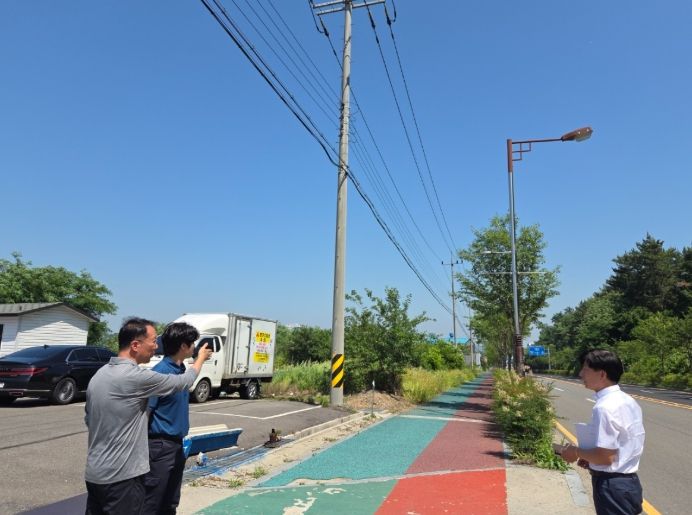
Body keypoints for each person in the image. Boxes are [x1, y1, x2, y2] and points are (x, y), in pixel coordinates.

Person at [84, 317, 212, 515]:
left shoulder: (100, 375)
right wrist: (201, 358)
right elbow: (183, 382)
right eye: (152, 341)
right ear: (135, 345)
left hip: (96, 472)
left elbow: (88, 419)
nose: (156, 346)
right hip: (123, 476)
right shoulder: (136, 377)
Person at [559, 349, 645, 515]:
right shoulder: (627, 400)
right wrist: (591, 459)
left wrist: (575, 452)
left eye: (585, 369)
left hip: (612, 487)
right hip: (628, 484)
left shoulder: (604, 407)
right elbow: (621, 445)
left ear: (602, 374)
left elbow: (606, 457)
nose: (580, 374)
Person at [143, 322, 201, 514]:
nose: (194, 347)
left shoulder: (181, 371)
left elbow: (191, 376)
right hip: (159, 447)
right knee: (152, 502)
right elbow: (146, 413)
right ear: (183, 346)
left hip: (176, 445)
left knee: (170, 502)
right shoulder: (161, 373)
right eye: (192, 343)